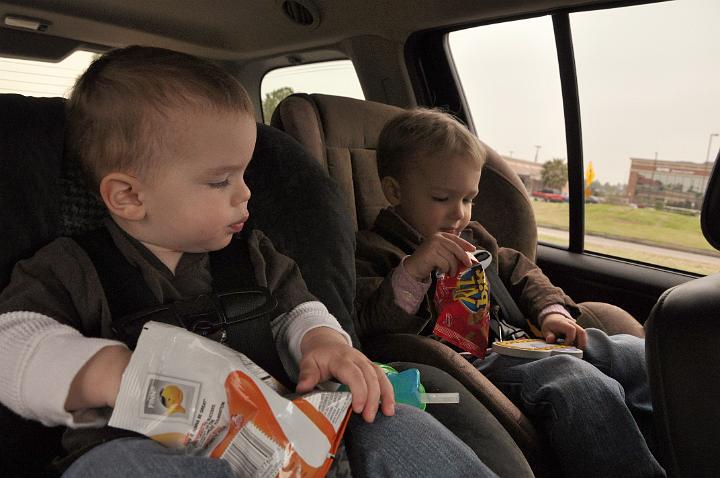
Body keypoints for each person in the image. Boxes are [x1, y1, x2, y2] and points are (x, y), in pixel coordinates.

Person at [0, 47, 497, 478]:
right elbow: (12, 342)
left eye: (244, 174)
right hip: (141, 448)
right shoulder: (72, 267)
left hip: (283, 442)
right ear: (129, 196)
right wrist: (102, 371)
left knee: (396, 424)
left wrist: (321, 340)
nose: (246, 194)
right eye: (221, 181)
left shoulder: (253, 254)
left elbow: (299, 309)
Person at [355, 107, 666, 477]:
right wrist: (413, 270)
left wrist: (551, 311)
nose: (459, 213)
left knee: (635, 353)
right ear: (394, 191)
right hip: (469, 365)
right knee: (575, 379)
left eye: (468, 199)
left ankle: (679, 451)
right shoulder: (374, 249)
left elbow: (520, 271)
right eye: (441, 198)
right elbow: (372, 324)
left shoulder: (475, 239)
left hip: (521, 343)